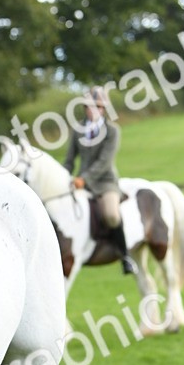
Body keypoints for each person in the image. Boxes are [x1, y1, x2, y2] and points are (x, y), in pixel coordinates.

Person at [63, 86, 136, 274]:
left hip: (105, 182)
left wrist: (83, 179)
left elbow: (105, 161)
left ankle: (125, 255)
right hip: (80, 181)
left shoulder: (113, 131)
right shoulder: (78, 130)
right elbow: (70, 159)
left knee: (111, 215)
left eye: (99, 107)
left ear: (104, 110)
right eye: (90, 106)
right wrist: (63, 178)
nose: (94, 110)